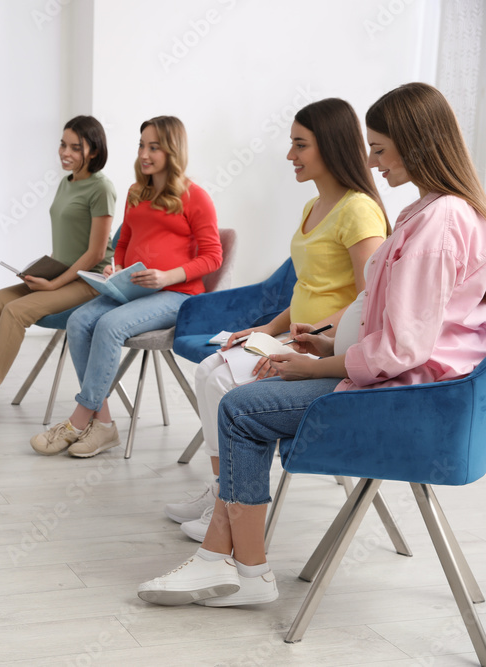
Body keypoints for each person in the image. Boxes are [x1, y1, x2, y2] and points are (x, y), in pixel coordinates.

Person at [138, 82, 486, 607]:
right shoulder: (434, 213)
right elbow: (392, 318)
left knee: (240, 409)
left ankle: (240, 568)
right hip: (400, 380)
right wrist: (325, 347)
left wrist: (315, 367)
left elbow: (402, 351)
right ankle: (228, 563)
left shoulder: (438, 225)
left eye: (380, 149)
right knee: (236, 398)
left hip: (407, 395)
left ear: (416, 144)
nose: (372, 162)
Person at [163, 98, 389, 540]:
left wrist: (307, 335)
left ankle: (231, 505)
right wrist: (267, 328)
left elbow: (368, 300)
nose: (290, 155)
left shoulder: (359, 210)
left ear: (331, 145)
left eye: (300, 145)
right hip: (295, 334)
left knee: (223, 383)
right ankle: (221, 491)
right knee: (208, 369)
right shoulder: (313, 207)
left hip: (325, 345)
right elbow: (307, 287)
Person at [29, 116, 222, 457]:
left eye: (154, 147)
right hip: (132, 290)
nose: (144, 154)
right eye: (141, 145)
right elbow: (123, 242)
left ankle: (78, 420)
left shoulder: (196, 197)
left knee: (109, 325)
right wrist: (115, 267)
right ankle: (104, 424)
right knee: (79, 320)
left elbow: (213, 257)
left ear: (173, 151)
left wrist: (167, 276)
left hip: (177, 295)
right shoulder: (136, 193)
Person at [0, 116, 116, 428]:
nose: (65, 152)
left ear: (94, 151)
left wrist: (54, 284)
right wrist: (43, 271)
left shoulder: (102, 188)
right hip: (62, 273)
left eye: (75, 147)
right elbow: (68, 242)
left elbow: (96, 253)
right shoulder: (66, 183)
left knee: (16, 312)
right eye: (63, 144)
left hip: (88, 281)